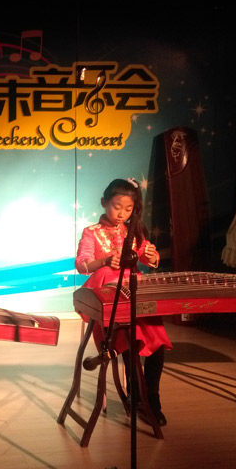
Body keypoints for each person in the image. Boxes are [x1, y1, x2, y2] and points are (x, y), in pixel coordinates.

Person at [75, 177, 172, 425]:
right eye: (117, 207)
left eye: (128, 209)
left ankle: (152, 399)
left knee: (157, 341)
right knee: (130, 339)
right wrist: (105, 261)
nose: (122, 214)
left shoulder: (133, 230)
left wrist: (151, 255)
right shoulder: (91, 232)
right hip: (107, 298)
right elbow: (82, 264)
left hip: (134, 293)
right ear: (104, 202)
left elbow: (147, 257)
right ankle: (136, 397)